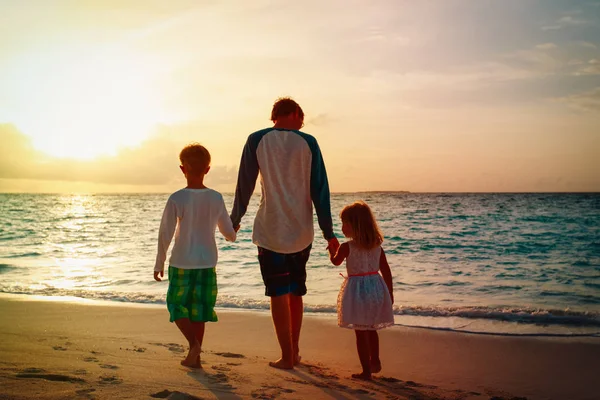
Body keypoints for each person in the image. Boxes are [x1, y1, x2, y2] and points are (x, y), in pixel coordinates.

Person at [230, 97, 340, 370]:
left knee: (278, 293)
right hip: (302, 232)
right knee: (295, 293)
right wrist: (329, 234)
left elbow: (244, 184)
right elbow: (320, 190)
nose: (302, 123)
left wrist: (235, 219)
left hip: (270, 231)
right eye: (301, 117)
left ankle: (287, 355)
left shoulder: (256, 140)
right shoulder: (309, 142)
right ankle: (295, 351)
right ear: (292, 113)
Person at [154, 143, 236, 368]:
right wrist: (234, 232)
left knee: (176, 306)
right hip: (207, 261)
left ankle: (193, 346)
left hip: (182, 261)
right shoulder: (216, 198)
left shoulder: (177, 198)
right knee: (199, 310)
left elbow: (166, 233)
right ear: (208, 169)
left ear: (183, 169)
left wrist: (159, 261)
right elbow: (229, 234)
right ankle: (196, 357)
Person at [328, 200, 394, 380]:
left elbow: (335, 262)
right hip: (376, 290)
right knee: (371, 328)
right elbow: (386, 270)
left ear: (354, 225)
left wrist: (332, 250)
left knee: (360, 331)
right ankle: (376, 361)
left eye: (344, 223)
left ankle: (366, 371)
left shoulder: (347, 247)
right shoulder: (376, 246)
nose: (342, 227)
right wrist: (389, 293)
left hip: (357, 293)